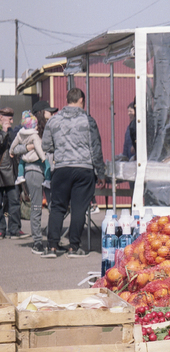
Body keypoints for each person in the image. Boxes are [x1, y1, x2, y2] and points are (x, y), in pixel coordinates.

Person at [41, 87, 105, 258]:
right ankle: (74, 247)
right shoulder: (88, 120)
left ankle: (52, 247)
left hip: (61, 168)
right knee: (78, 209)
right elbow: (96, 148)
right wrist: (100, 173)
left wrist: (60, 149)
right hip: (84, 169)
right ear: (81, 100)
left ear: (67, 99)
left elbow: (46, 146)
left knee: (58, 207)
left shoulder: (54, 121)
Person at [10, 101, 57, 254]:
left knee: (53, 207)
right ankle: (37, 242)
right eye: (49, 111)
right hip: (34, 169)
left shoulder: (52, 128)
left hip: (50, 171)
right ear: (41, 113)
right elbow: (15, 148)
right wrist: (28, 147)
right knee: (36, 207)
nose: (52, 113)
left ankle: (52, 241)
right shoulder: (26, 129)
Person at [0, 107, 26, 239]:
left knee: (15, 201)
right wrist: (3, 132)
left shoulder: (12, 132)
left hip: (12, 171)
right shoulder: (4, 132)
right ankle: (1, 229)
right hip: (1, 171)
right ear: (1, 118)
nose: (11, 121)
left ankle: (15, 229)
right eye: (9, 118)